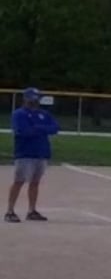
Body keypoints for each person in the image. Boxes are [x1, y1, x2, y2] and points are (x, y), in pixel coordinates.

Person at [7, 87, 59, 223]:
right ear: (25, 98)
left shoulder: (44, 114)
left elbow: (55, 128)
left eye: (36, 98)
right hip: (25, 153)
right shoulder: (19, 114)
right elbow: (23, 131)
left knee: (35, 182)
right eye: (32, 98)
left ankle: (32, 210)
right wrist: (43, 129)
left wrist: (37, 127)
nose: (34, 101)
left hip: (41, 152)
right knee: (19, 181)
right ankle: (10, 211)